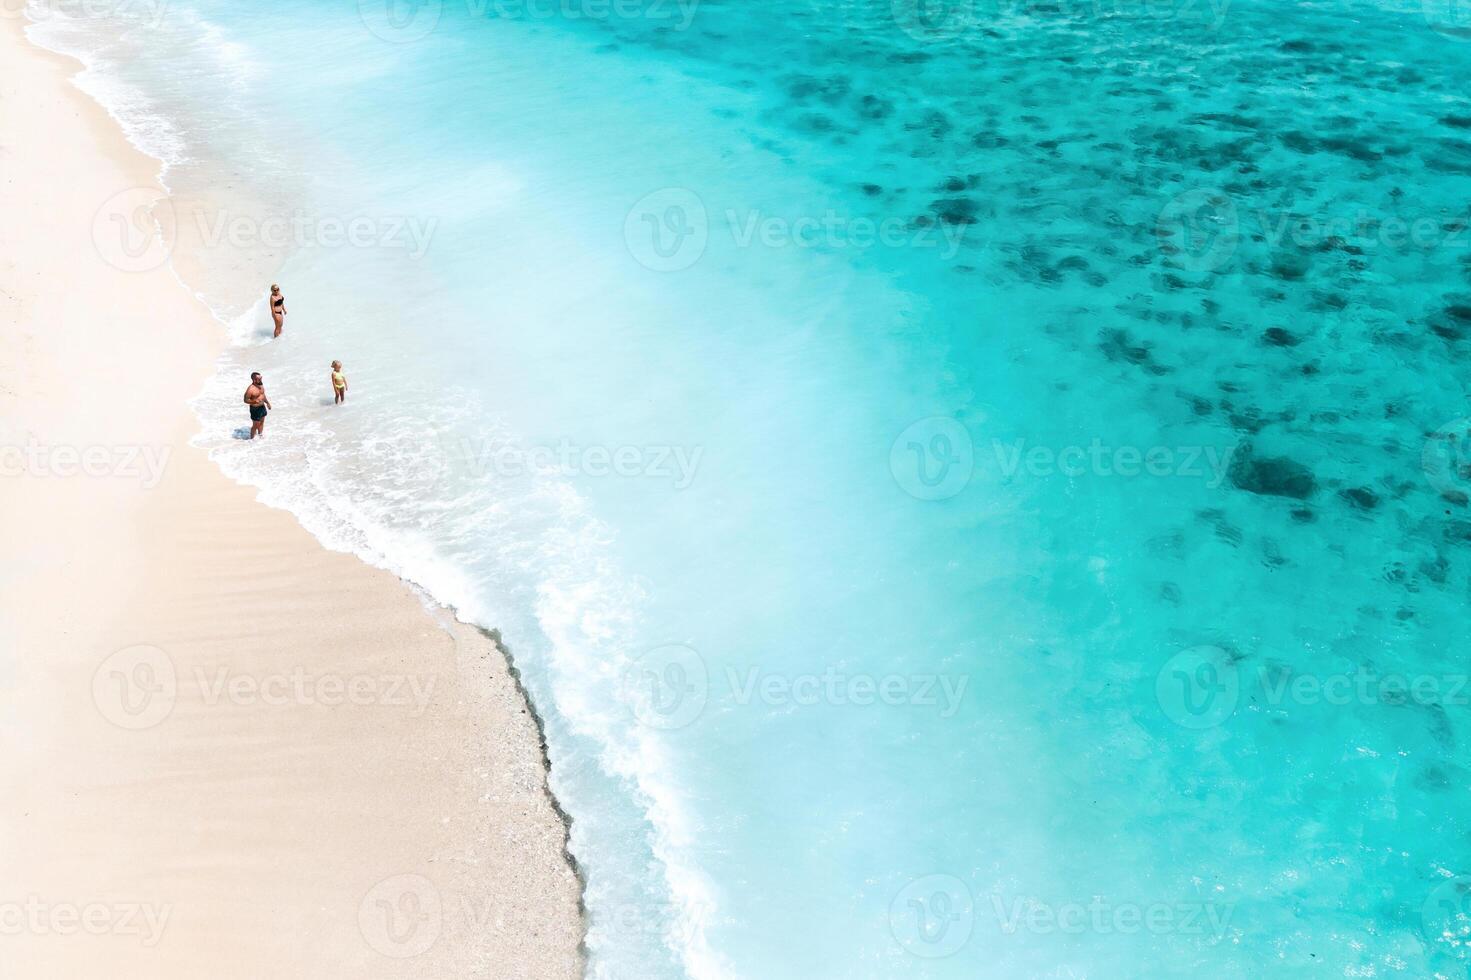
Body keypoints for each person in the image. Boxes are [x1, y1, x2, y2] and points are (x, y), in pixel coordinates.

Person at [244, 372, 271, 439]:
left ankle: (260, 435)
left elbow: (262, 395)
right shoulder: (250, 389)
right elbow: (245, 400)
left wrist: (267, 403)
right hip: (255, 409)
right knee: (255, 425)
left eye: (261, 378)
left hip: (262, 407)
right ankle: (251, 439)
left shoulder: (261, 385)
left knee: (262, 422)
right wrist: (254, 401)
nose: (261, 379)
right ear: (254, 380)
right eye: (259, 378)